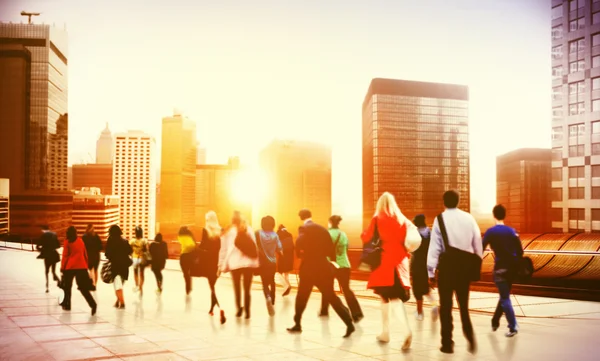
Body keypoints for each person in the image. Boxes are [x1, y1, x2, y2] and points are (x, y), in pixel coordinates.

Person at [427, 190, 483, 354]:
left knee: (446, 307)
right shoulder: (469, 218)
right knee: (464, 306)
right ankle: (470, 337)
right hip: (464, 268)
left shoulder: (440, 219)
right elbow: (477, 243)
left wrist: (430, 272)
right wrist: (475, 262)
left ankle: (447, 344)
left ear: (444, 202)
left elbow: (435, 247)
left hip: (447, 268)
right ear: (458, 201)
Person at [287, 209, 355, 338]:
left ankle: (297, 324)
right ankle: (349, 323)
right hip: (324, 267)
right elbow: (330, 249)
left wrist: (300, 254)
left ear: (301, 217)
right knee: (331, 296)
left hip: (309, 268)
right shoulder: (322, 229)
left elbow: (299, 243)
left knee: (302, 296)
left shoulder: (304, 228)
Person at [361, 193, 413, 350]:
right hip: (401, 260)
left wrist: (364, 233)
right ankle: (393, 332)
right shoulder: (402, 219)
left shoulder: (377, 218)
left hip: (385, 261)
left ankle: (392, 331)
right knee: (395, 296)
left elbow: (366, 237)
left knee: (386, 297)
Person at [483, 204, 523, 338]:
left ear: (494, 215)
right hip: (512, 269)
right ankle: (495, 321)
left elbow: (480, 249)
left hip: (500, 268)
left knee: (504, 298)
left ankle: (513, 326)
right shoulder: (512, 231)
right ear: (504, 215)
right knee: (504, 295)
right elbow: (520, 251)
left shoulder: (491, 232)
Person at [321, 215, 364, 323]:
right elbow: (347, 247)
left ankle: (324, 310)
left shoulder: (327, 234)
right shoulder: (343, 234)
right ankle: (356, 313)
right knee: (346, 289)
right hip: (344, 264)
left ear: (330, 222)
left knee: (327, 288)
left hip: (330, 264)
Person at [218, 211, 259, 319]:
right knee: (247, 289)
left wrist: (220, 265)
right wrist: (256, 261)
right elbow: (254, 246)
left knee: (237, 287)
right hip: (248, 263)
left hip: (234, 263)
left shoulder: (227, 231)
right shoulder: (248, 228)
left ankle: (239, 309)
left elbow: (223, 249)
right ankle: (247, 311)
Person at [60, 226, 97, 315]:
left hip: (70, 267)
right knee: (83, 288)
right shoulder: (80, 241)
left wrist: (62, 267)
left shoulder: (67, 242)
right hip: (81, 266)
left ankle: (68, 305)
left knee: (67, 287)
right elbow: (85, 254)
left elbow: (65, 256)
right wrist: (86, 265)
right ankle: (93, 304)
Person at [198, 211, 226, 324]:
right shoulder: (221, 230)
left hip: (208, 260)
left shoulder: (205, 230)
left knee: (212, 286)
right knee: (214, 285)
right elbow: (223, 246)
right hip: (218, 260)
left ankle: (220, 307)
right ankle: (212, 308)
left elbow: (203, 245)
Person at [410, 214, 438, 321]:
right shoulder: (429, 232)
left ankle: (420, 313)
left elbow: (411, 248)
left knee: (417, 290)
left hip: (417, 263)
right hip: (428, 263)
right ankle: (434, 304)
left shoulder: (415, 233)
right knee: (426, 288)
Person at [256, 215, 283, 316]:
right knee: (272, 281)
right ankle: (273, 301)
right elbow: (280, 248)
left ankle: (267, 296)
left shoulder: (258, 233)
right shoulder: (275, 235)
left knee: (264, 283)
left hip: (262, 263)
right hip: (272, 263)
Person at [105, 225, 133, 309]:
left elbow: (107, 254)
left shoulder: (110, 240)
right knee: (120, 284)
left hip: (116, 266)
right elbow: (130, 251)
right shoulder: (124, 241)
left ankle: (122, 302)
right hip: (124, 266)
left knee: (117, 285)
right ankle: (118, 301)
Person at [37, 225, 61, 293]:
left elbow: (38, 246)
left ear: (43, 230)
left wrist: (41, 249)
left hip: (47, 256)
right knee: (53, 271)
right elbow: (58, 245)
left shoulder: (43, 236)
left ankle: (47, 287)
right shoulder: (54, 234)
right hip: (54, 255)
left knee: (47, 271)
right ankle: (58, 281)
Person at [82, 224, 103, 289]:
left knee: (90, 270)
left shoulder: (84, 237)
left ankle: (90, 284)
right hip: (96, 255)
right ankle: (95, 284)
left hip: (88, 255)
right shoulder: (96, 236)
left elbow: (82, 247)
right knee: (96, 270)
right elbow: (100, 247)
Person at [178, 226, 197, 295]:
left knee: (185, 273)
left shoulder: (180, 236)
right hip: (190, 256)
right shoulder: (190, 236)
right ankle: (188, 287)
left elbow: (187, 244)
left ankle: (188, 288)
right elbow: (193, 245)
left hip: (183, 256)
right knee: (189, 272)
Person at [130, 226, 148, 296]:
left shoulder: (132, 241)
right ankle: (141, 287)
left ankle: (137, 285)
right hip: (141, 258)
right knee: (141, 273)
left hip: (134, 258)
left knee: (135, 272)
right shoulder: (144, 241)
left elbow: (129, 250)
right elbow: (146, 250)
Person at [276, 224, 294, 296]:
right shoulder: (290, 235)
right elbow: (293, 246)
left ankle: (286, 286)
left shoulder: (278, 234)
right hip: (290, 257)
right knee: (286, 273)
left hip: (282, 257)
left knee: (279, 273)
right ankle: (288, 285)